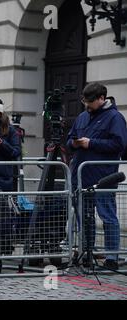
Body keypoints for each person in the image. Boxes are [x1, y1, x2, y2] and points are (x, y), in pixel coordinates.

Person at [67, 82, 127, 271]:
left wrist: (91, 143)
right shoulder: (83, 116)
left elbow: (119, 145)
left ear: (102, 99)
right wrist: (74, 144)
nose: (87, 105)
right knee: (84, 217)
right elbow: (69, 139)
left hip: (104, 176)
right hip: (81, 175)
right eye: (85, 101)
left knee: (107, 216)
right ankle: (87, 253)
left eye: (90, 101)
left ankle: (111, 258)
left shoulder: (115, 117)